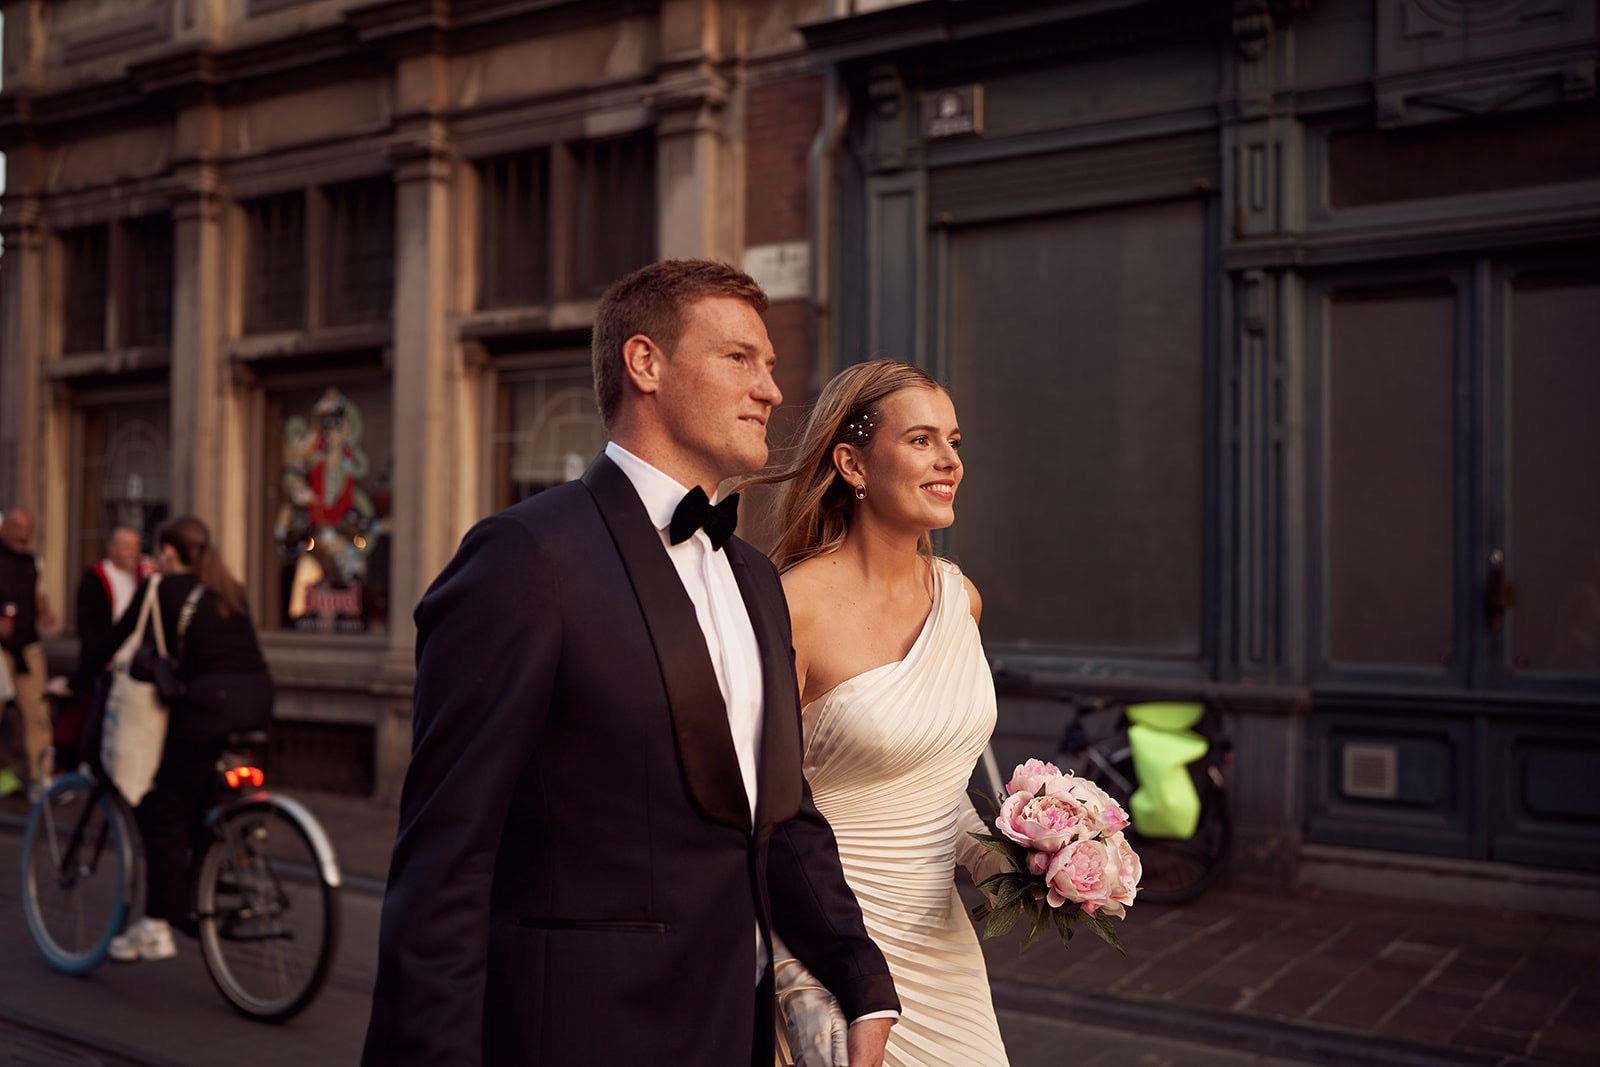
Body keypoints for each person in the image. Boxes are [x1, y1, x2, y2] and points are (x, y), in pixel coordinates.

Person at [362, 259, 899, 1067]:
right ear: (644, 363)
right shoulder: (527, 557)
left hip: (736, 1032)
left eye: (772, 365)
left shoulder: (755, 577)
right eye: (740, 359)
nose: (772, 390)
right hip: (579, 1035)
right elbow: (445, 860)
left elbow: (779, 811)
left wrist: (861, 973)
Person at [746, 359, 1011, 1066]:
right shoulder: (791, 603)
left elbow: (940, 785)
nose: (949, 459)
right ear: (852, 464)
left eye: (953, 439)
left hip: (944, 952)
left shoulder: (963, 598)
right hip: (832, 946)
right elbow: (759, 803)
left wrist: (1021, 863)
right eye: (922, 439)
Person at [56, 515, 274, 962]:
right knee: (200, 793)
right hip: (258, 699)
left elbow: (114, 641)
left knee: (165, 809)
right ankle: (219, 865)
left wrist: (72, 684)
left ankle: (155, 926)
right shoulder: (229, 588)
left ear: (169, 552)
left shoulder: (160, 588)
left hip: (209, 704)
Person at [60, 526, 145, 768]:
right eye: (127, 546)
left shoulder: (140, 578)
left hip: (134, 662)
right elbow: (93, 629)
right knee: (97, 717)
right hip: (106, 662)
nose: (133, 552)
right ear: (112, 548)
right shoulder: (96, 579)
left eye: (136, 546)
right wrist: (96, 660)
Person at [0, 508, 58, 795]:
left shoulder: (34, 561)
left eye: (28, 528)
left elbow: (39, 596)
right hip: (1, 648)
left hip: (27, 644)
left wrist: (44, 613)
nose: (24, 534)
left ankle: (41, 778)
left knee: (37, 711)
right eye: (18, 527)